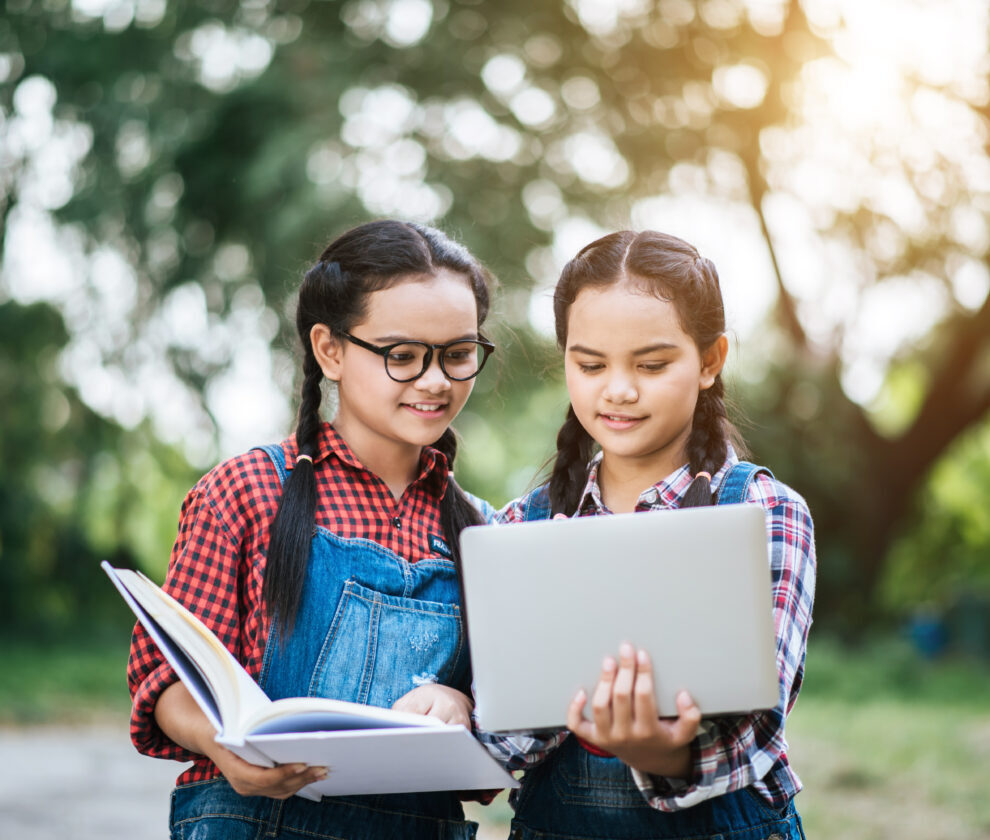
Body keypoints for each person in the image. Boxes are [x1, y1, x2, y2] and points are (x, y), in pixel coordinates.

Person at [127, 219, 498, 840]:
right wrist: (222, 747)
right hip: (252, 818)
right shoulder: (245, 491)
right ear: (330, 349)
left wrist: (465, 709)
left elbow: (504, 731)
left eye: (458, 355)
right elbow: (164, 679)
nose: (436, 381)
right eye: (402, 356)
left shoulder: (485, 529)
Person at [479, 230, 815, 839]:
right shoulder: (517, 530)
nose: (619, 389)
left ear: (711, 360)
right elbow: (499, 735)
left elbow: (756, 731)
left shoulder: (766, 511)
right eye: (590, 364)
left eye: (652, 364)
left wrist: (660, 753)